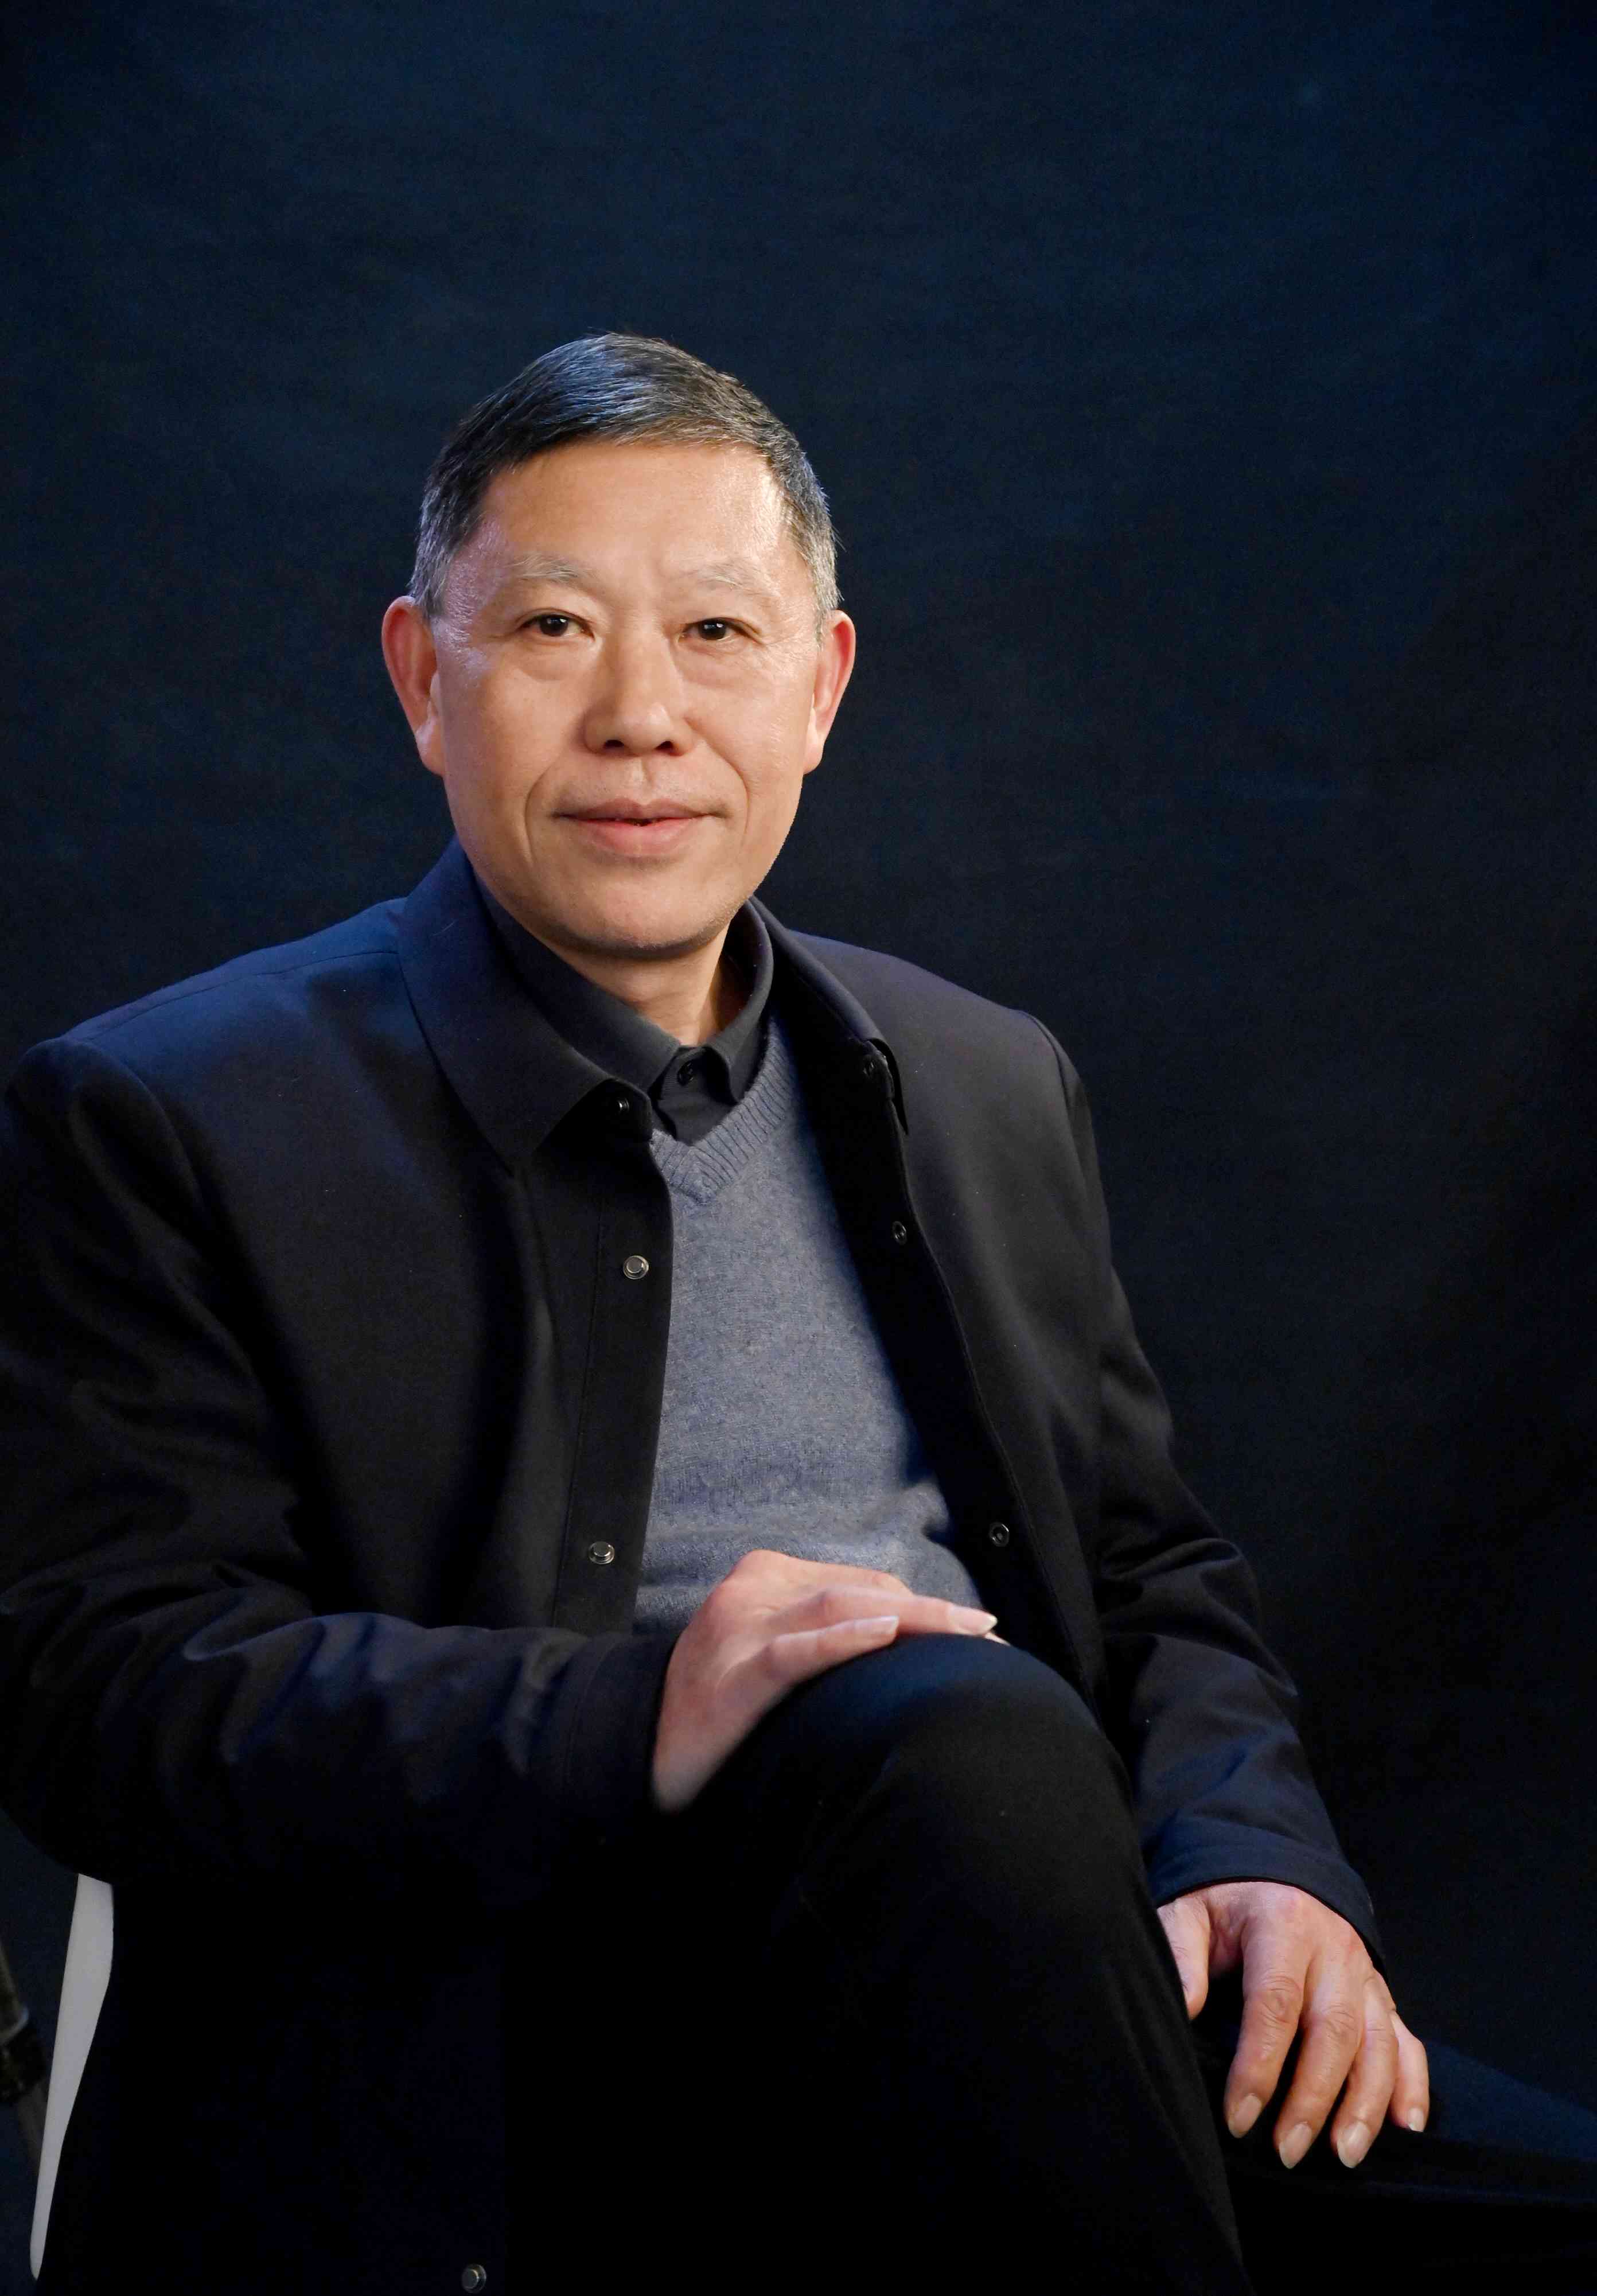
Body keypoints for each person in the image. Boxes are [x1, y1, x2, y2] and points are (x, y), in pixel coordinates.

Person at [1, 334, 1591, 2293]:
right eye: (557, 628)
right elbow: (106, 1695)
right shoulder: (164, 1113)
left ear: (822, 686)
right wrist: (640, 1704)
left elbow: (1151, 1570)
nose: (642, 716)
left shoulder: (981, 1077)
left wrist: (1254, 1847)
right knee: (967, 1731)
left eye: (718, 633)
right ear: (423, 678)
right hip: (507, 2041)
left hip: (1032, 1971)